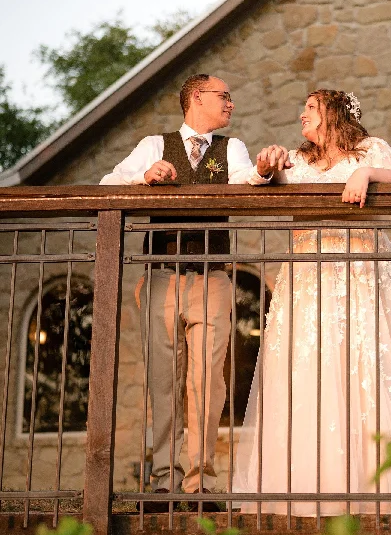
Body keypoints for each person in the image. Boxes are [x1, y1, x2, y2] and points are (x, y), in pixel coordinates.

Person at [234, 89, 391, 515]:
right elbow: (268, 181)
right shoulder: (295, 158)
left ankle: (384, 482)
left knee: (368, 366)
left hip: (362, 271)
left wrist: (366, 175)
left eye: (310, 107)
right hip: (310, 276)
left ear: (333, 114)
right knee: (311, 368)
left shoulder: (370, 149)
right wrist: (266, 166)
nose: (301, 114)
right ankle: (313, 485)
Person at [100, 74, 289, 512]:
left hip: (213, 278)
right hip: (161, 277)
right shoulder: (154, 144)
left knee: (208, 382)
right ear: (196, 98)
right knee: (164, 382)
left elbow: (245, 178)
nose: (231, 104)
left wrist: (262, 172)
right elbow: (110, 181)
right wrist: (144, 178)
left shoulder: (230, 148)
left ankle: (200, 482)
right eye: (224, 96)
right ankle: (164, 482)